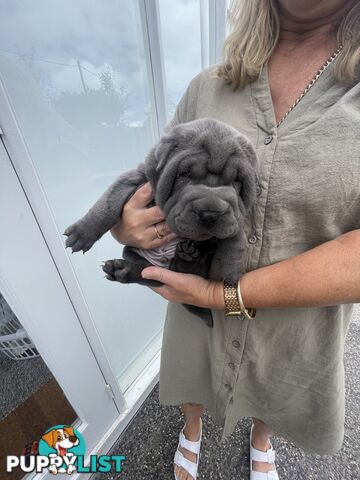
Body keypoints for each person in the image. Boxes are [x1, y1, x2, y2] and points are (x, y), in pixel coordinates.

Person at [110, 0, 360, 478]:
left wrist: (220, 295)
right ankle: (193, 427)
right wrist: (127, 223)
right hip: (191, 290)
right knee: (192, 374)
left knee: (278, 388)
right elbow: (155, 180)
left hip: (298, 316)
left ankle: (262, 435)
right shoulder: (208, 87)